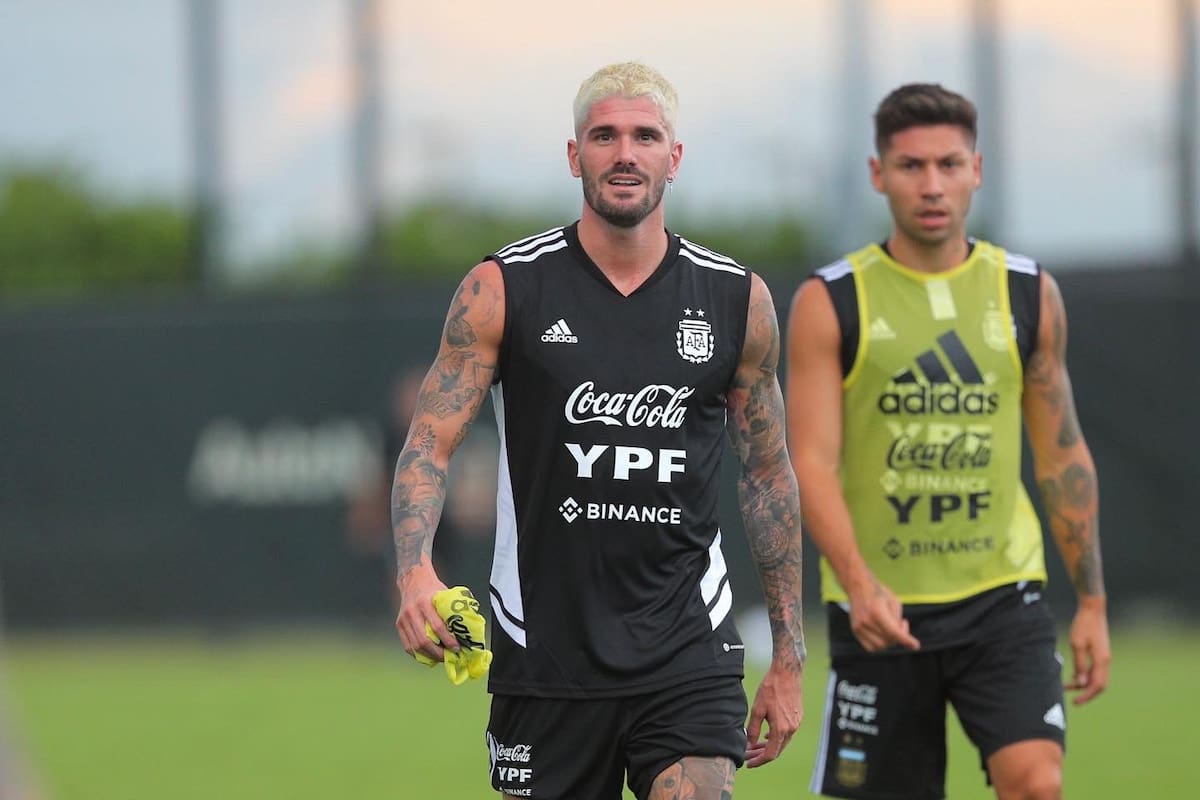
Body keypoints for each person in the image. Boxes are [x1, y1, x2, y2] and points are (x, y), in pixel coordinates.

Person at [391, 62, 806, 800]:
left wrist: (789, 657)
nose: (625, 153)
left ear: (672, 158)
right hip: (544, 648)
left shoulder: (736, 299)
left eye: (645, 136)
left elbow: (769, 473)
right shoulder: (503, 288)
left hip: (687, 646)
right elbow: (429, 440)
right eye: (604, 135)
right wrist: (416, 570)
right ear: (574, 153)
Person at [785, 83, 1111, 800]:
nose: (931, 185)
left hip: (1003, 599)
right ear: (878, 175)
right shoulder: (831, 300)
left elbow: (1062, 453)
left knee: (1036, 782)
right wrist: (859, 585)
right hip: (880, 611)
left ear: (977, 170)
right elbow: (808, 461)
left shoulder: (1025, 292)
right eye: (910, 166)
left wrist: (1090, 601)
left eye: (949, 164)